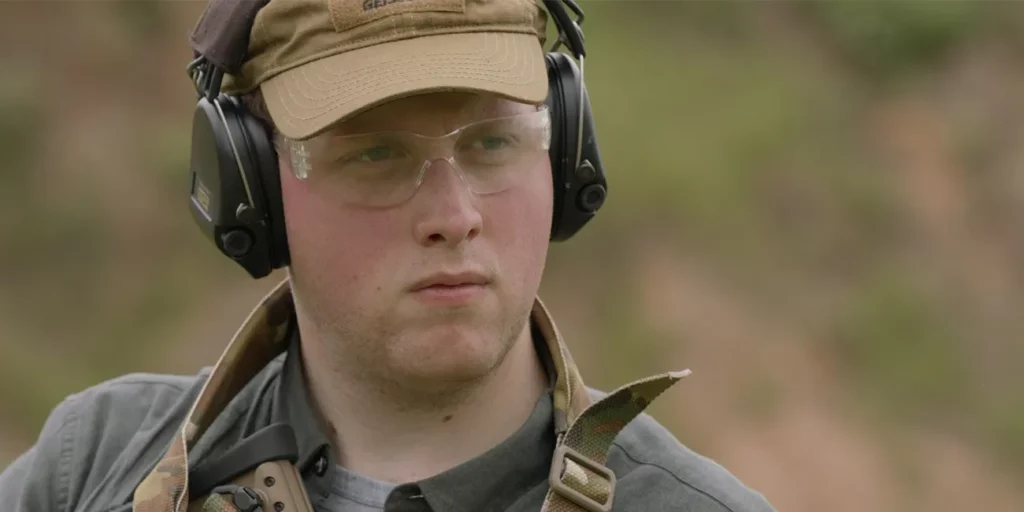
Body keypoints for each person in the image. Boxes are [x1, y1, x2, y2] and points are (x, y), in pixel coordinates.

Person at [0, 0, 776, 511]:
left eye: (494, 142)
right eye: (375, 155)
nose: (454, 215)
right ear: (252, 191)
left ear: (565, 153)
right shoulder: (94, 466)